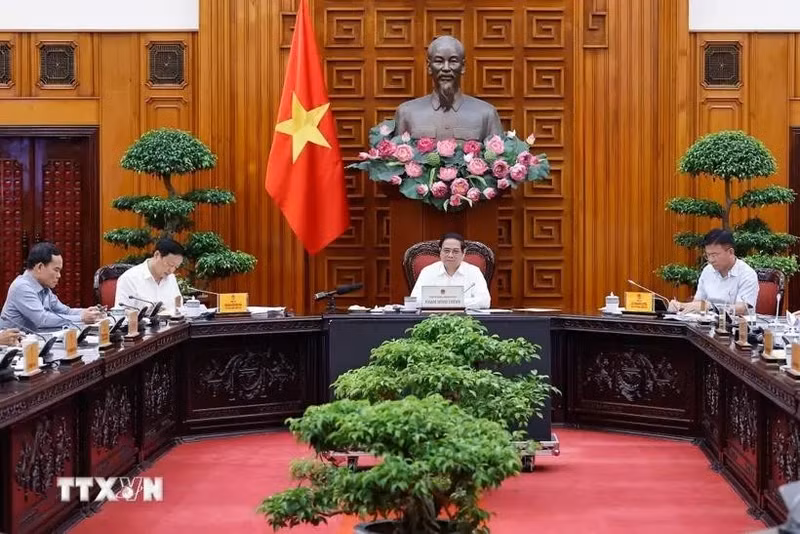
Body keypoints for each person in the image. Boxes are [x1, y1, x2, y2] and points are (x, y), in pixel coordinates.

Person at [394, 36, 503, 141]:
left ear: (463, 67)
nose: (446, 68)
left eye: (453, 61)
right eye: (439, 61)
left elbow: (499, 158)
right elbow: (395, 158)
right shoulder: (407, 113)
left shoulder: (486, 114)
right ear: (429, 66)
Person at [0, 242, 105, 331]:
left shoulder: (44, 288)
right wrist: (81, 318)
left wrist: (87, 312)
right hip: (12, 349)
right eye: (56, 270)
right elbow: (42, 320)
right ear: (40, 267)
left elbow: (65, 311)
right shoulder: (21, 287)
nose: (59, 276)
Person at [668, 229, 758, 316]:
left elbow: (742, 308)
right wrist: (681, 306)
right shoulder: (707, 271)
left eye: (714, 255)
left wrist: (711, 308)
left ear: (730, 252)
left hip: (736, 327)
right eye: (708, 255)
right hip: (706, 325)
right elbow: (698, 302)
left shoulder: (747, 274)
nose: (711, 260)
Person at [410, 232, 491, 309]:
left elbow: (485, 301)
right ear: (440, 251)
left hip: (466, 320)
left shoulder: (474, 272)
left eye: (455, 251)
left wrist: (446, 302)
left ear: (463, 253)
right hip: (433, 320)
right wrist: (455, 302)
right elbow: (413, 301)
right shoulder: (428, 271)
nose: (450, 255)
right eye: (446, 251)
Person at [115, 238, 184, 312]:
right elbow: (120, 314)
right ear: (157, 255)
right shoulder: (129, 278)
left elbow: (179, 308)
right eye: (170, 264)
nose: (171, 270)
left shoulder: (171, 278)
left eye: (176, 267)